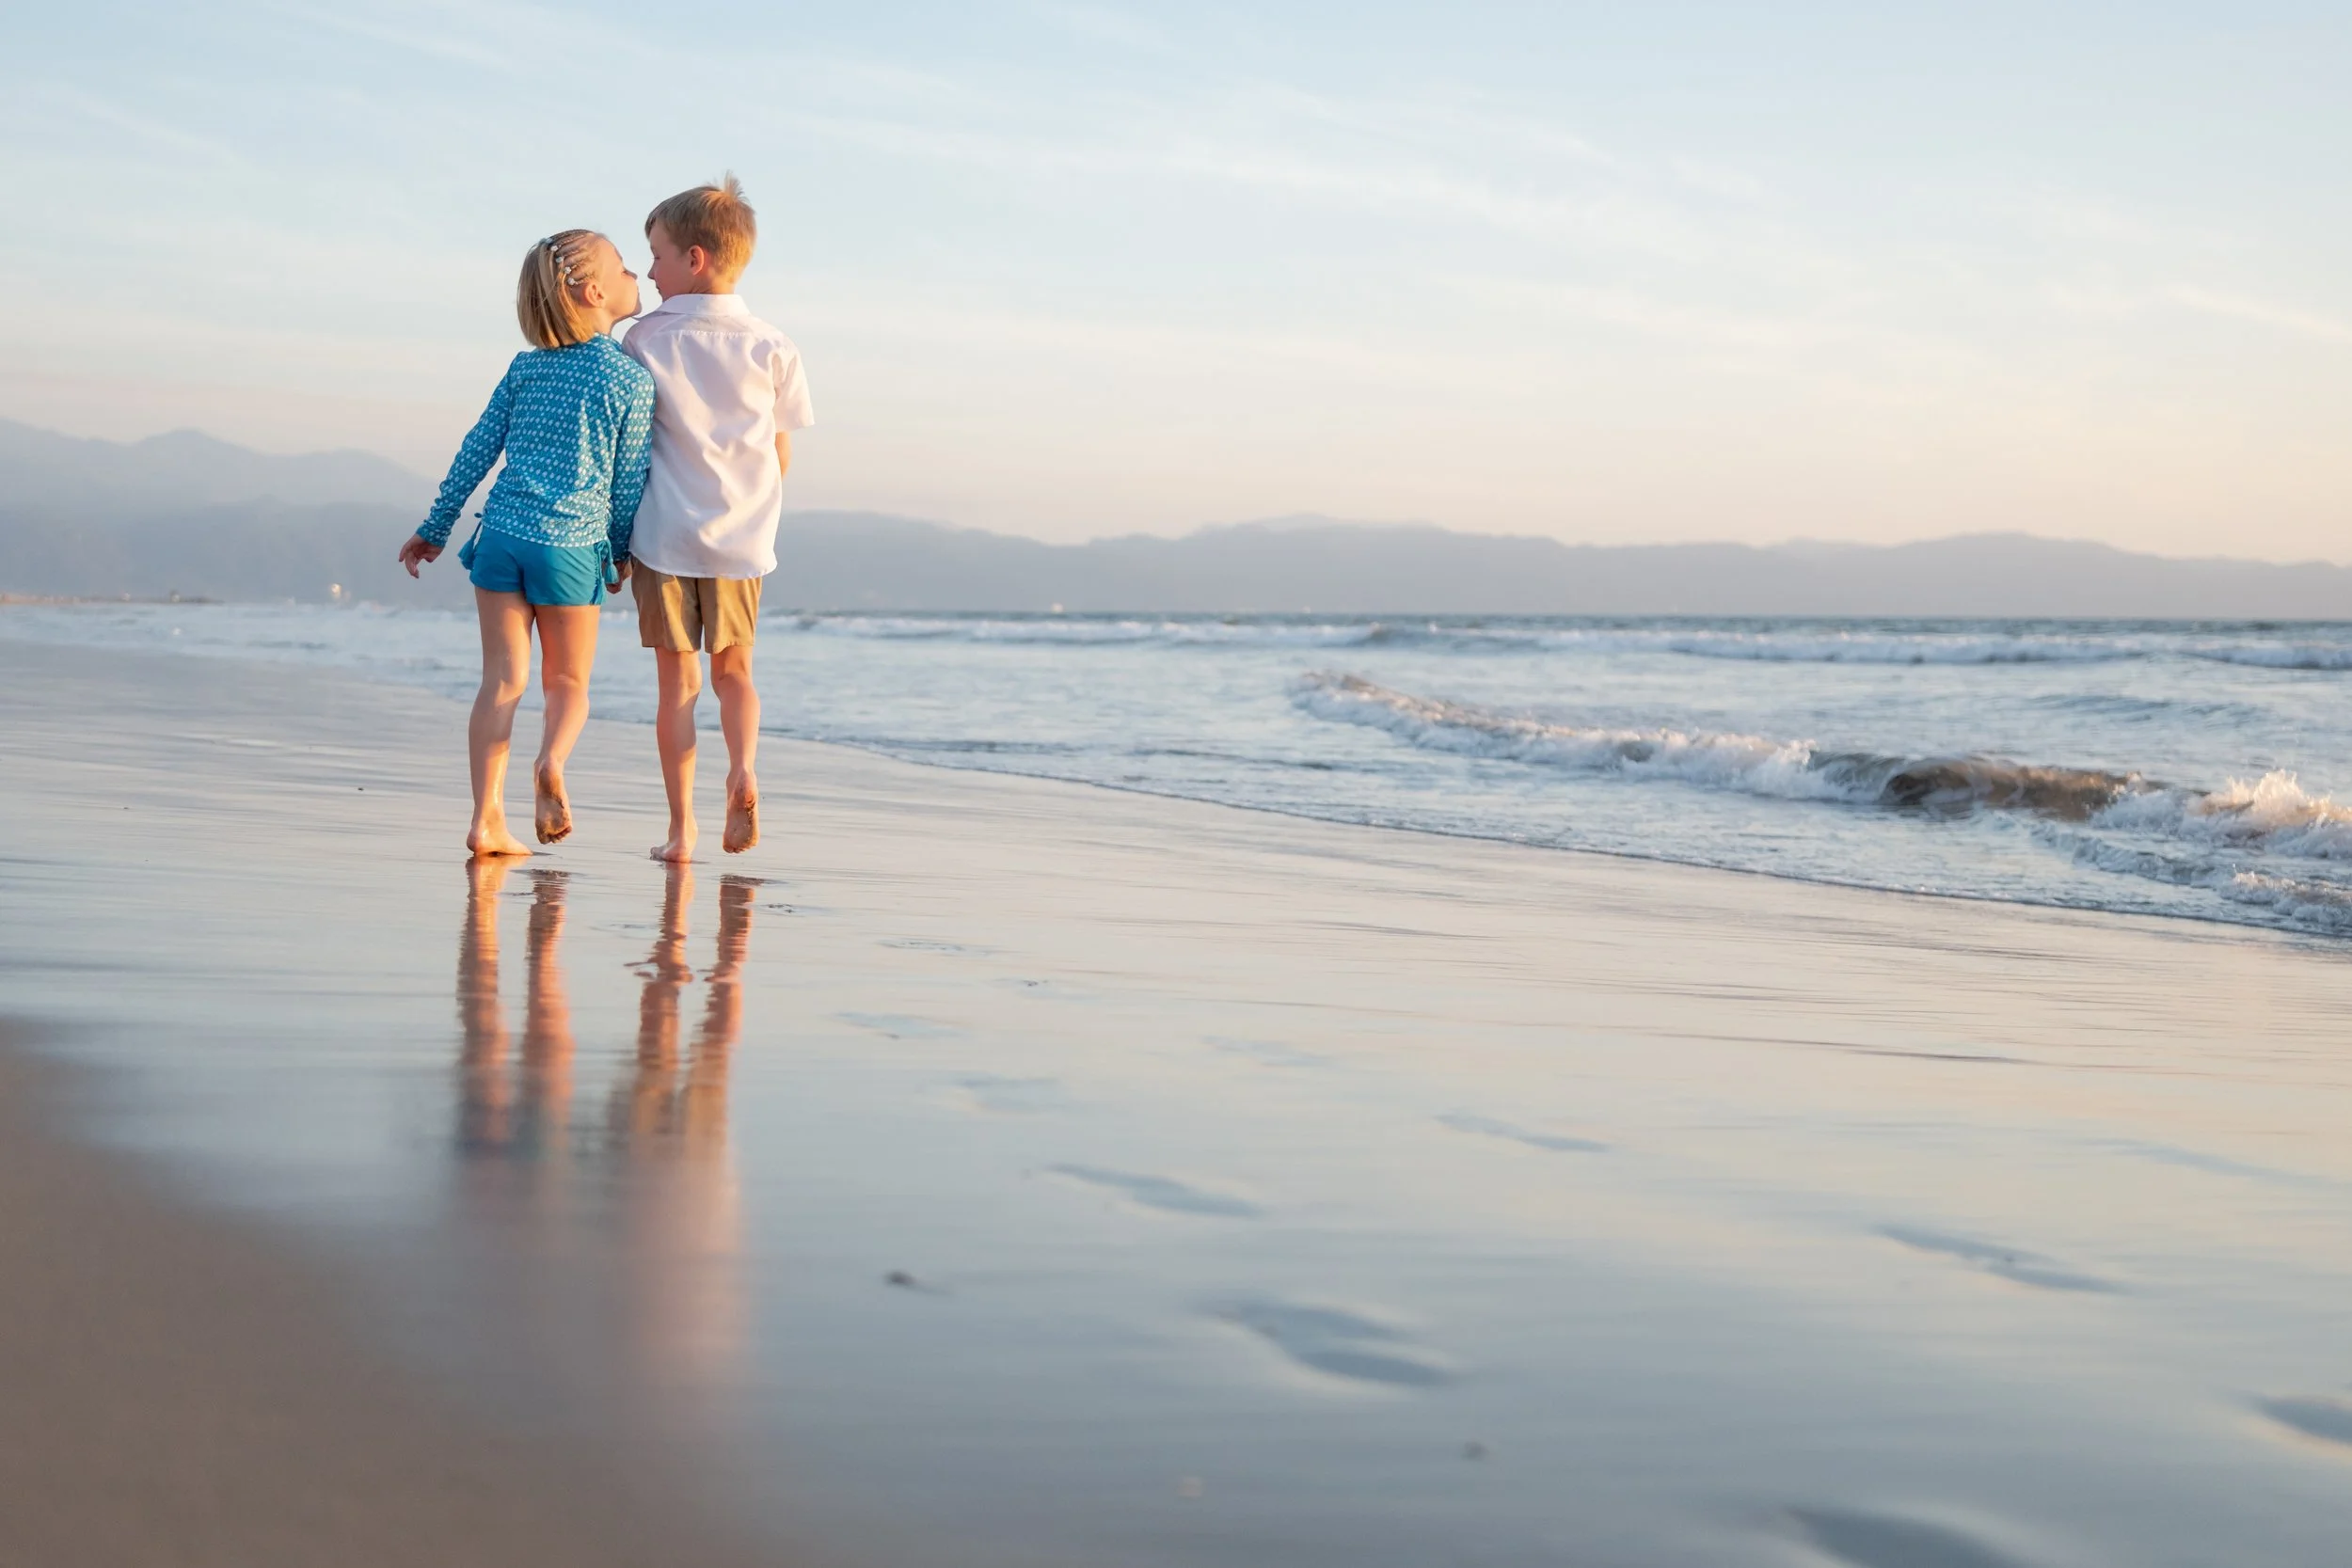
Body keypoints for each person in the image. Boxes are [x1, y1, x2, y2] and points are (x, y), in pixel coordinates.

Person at [398, 231, 654, 856]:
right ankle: (551, 763)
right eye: (624, 268)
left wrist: (435, 526)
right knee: (567, 682)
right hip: (570, 546)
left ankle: (486, 820)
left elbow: (476, 450)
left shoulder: (525, 367)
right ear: (595, 292)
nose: (635, 275)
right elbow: (626, 483)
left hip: (503, 538)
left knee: (501, 682)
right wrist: (619, 552)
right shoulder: (630, 380)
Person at [620, 175, 816, 861]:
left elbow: (631, 446)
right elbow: (781, 450)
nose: (648, 269)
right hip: (743, 539)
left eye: (657, 253)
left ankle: (681, 831)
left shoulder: (643, 340)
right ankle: (744, 771)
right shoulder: (772, 344)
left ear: (694, 258)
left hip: (664, 536)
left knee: (678, 686)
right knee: (736, 672)